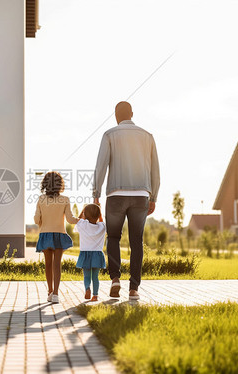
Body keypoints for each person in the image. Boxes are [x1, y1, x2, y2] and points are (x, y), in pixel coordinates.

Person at [93, 101, 160, 300]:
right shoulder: (147, 136)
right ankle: (134, 289)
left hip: (115, 195)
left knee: (113, 237)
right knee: (136, 242)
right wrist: (153, 196)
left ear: (115, 116)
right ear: (132, 113)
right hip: (141, 195)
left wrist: (96, 193)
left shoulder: (109, 135)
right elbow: (156, 170)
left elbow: (101, 165)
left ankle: (115, 279)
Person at [34, 171, 79, 303]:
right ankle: (56, 294)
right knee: (57, 265)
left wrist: (40, 217)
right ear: (60, 185)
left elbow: (36, 220)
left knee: (48, 264)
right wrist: (80, 219)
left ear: (45, 184)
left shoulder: (41, 199)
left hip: (45, 234)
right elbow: (70, 219)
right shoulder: (65, 199)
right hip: (60, 234)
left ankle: (49, 291)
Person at [74, 203, 106, 302]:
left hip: (85, 254)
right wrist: (100, 216)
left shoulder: (82, 225)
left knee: (86, 276)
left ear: (84, 215)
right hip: (97, 254)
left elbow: (78, 221)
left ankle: (87, 288)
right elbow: (102, 221)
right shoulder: (102, 226)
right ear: (99, 215)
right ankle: (95, 295)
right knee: (95, 277)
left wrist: (82, 215)